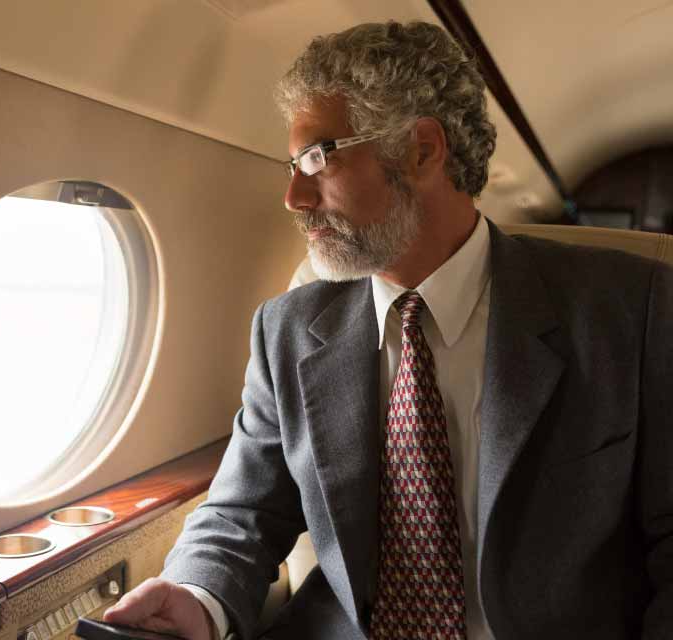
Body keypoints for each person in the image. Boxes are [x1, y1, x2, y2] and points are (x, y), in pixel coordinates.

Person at [104, 20, 673, 640]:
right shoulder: (288, 329)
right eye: (292, 164)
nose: (293, 196)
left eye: (318, 157)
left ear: (422, 150)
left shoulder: (631, 310)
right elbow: (243, 512)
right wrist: (196, 595)